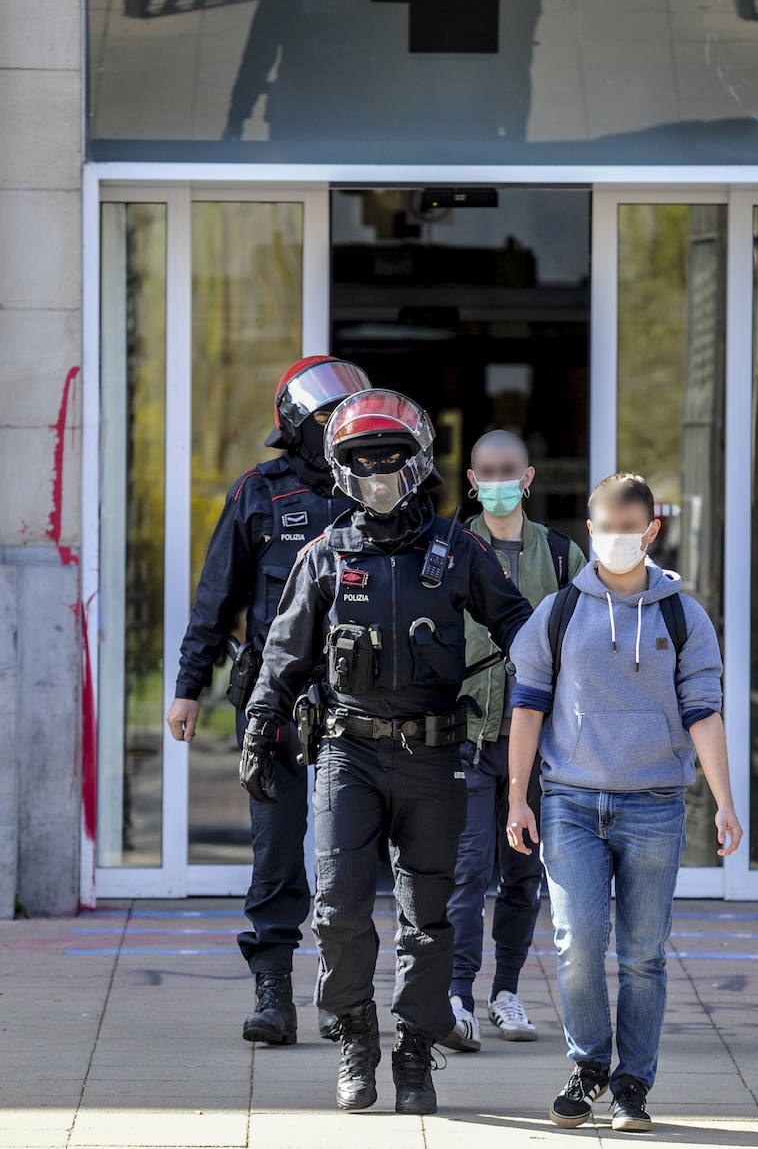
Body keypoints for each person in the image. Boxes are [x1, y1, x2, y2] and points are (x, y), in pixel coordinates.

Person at [239, 390, 533, 1116]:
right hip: (348, 754)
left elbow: (520, 624)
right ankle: (355, 1041)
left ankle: (414, 1054)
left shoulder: (456, 550)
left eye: (390, 456)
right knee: (338, 909)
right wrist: (257, 728)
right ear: (341, 469)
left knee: (426, 916)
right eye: (362, 459)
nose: (377, 470)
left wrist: (558, 686)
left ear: (418, 462)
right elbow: (283, 655)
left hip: (434, 756)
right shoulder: (323, 556)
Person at [506, 472, 743, 1133]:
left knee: (643, 954)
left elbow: (705, 712)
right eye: (604, 528)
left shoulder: (682, 615)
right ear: (590, 530)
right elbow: (527, 708)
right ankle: (588, 1068)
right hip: (571, 804)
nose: (615, 539)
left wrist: (725, 803)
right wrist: (516, 798)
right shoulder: (557, 613)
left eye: (627, 528)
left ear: (651, 531)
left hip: (654, 807)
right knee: (577, 942)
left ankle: (633, 1083)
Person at [166, 355, 371, 1046]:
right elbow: (215, 597)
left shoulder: (377, 490)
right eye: (325, 419)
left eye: (345, 417)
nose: (338, 430)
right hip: (274, 704)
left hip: (358, 701)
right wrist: (187, 689)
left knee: (350, 856)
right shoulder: (256, 494)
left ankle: (345, 999)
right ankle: (274, 995)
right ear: (295, 424)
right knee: (277, 851)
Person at [441, 429, 586, 1052]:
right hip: (466, 734)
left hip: (537, 743)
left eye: (510, 471)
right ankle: (456, 992)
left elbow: (585, 644)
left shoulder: (560, 556)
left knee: (524, 874)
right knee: (468, 870)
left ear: (528, 478)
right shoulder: (445, 549)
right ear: (471, 481)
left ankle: (506, 993)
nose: (498, 481)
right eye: (486, 472)